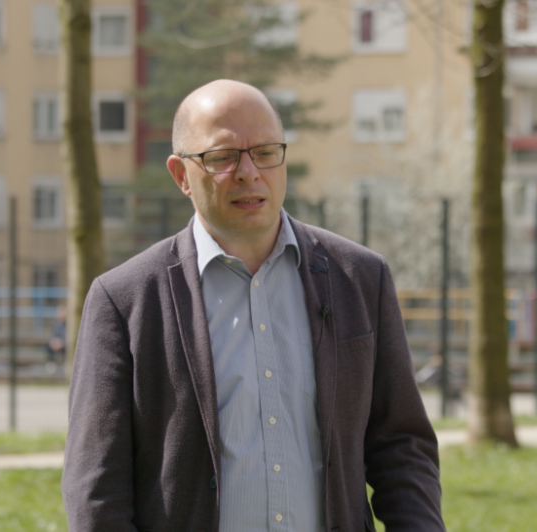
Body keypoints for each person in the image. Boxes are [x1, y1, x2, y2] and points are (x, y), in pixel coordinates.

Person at [62, 80, 444, 532]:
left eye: (265, 152)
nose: (248, 172)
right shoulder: (123, 301)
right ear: (181, 175)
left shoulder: (360, 278)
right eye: (222, 157)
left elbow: (402, 448)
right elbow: (97, 489)